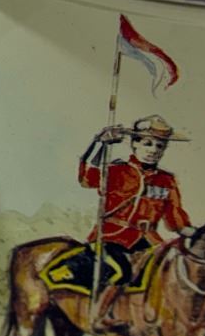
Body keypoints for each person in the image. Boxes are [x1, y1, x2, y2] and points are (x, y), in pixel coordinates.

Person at [78, 114, 192, 319]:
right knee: (121, 272)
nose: (153, 150)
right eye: (147, 143)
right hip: (111, 238)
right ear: (134, 144)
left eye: (160, 146)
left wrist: (196, 233)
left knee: (170, 273)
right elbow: (87, 179)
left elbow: (175, 218)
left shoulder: (167, 180)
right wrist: (99, 144)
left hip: (148, 242)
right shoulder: (116, 170)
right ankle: (99, 316)